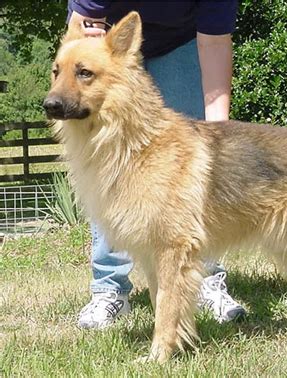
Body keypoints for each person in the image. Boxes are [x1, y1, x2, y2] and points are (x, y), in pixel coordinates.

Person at [66, 0, 246, 329]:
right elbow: (80, 27)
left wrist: (219, 132)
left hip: (181, 40)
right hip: (108, 40)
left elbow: (215, 41)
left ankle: (206, 280)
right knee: (106, 172)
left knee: (193, 164)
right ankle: (109, 290)